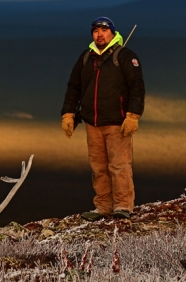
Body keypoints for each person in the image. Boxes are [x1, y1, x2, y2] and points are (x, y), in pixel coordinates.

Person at [61, 16, 145, 221]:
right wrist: (68, 113)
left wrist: (133, 115)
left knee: (119, 165)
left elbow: (137, 87)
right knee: (98, 168)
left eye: (104, 30)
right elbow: (74, 87)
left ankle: (124, 206)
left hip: (117, 123)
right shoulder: (86, 57)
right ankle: (103, 206)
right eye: (96, 30)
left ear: (113, 33)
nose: (99, 34)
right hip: (93, 123)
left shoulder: (124, 56)